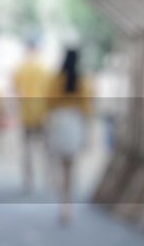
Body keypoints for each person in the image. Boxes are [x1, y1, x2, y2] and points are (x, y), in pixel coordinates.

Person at [46, 47, 94, 227]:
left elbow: (48, 101)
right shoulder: (82, 80)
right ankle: (68, 206)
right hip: (74, 122)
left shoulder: (56, 79)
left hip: (58, 121)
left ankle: (62, 204)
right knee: (71, 168)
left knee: (60, 165)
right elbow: (87, 107)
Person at [13, 35, 51, 193]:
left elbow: (17, 90)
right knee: (45, 148)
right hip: (42, 112)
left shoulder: (21, 68)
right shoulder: (45, 68)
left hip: (27, 111)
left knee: (27, 148)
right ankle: (47, 178)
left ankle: (29, 179)